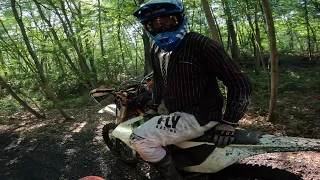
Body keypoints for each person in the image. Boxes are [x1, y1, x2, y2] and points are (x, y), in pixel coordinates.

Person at [130, 0, 252, 179]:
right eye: (154, 23)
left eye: (167, 20)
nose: (161, 27)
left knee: (138, 139)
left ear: (179, 19)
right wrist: (154, 105)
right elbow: (158, 80)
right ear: (148, 27)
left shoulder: (201, 45)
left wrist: (230, 121)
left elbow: (239, 82)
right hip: (178, 113)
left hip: (200, 116)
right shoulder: (156, 50)